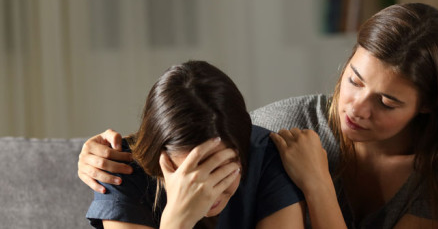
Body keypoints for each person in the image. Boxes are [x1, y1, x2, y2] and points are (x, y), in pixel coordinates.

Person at [78, 3, 438, 228]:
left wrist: (317, 183)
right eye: (353, 79)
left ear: (429, 105)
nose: (356, 108)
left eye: (387, 103)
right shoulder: (287, 125)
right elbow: (201, 132)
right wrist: (105, 153)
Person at [84, 61, 306, 228]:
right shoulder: (120, 168)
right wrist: (177, 220)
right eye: (189, 172)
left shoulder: (267, 156)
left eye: (221, 170)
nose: (207, 191)